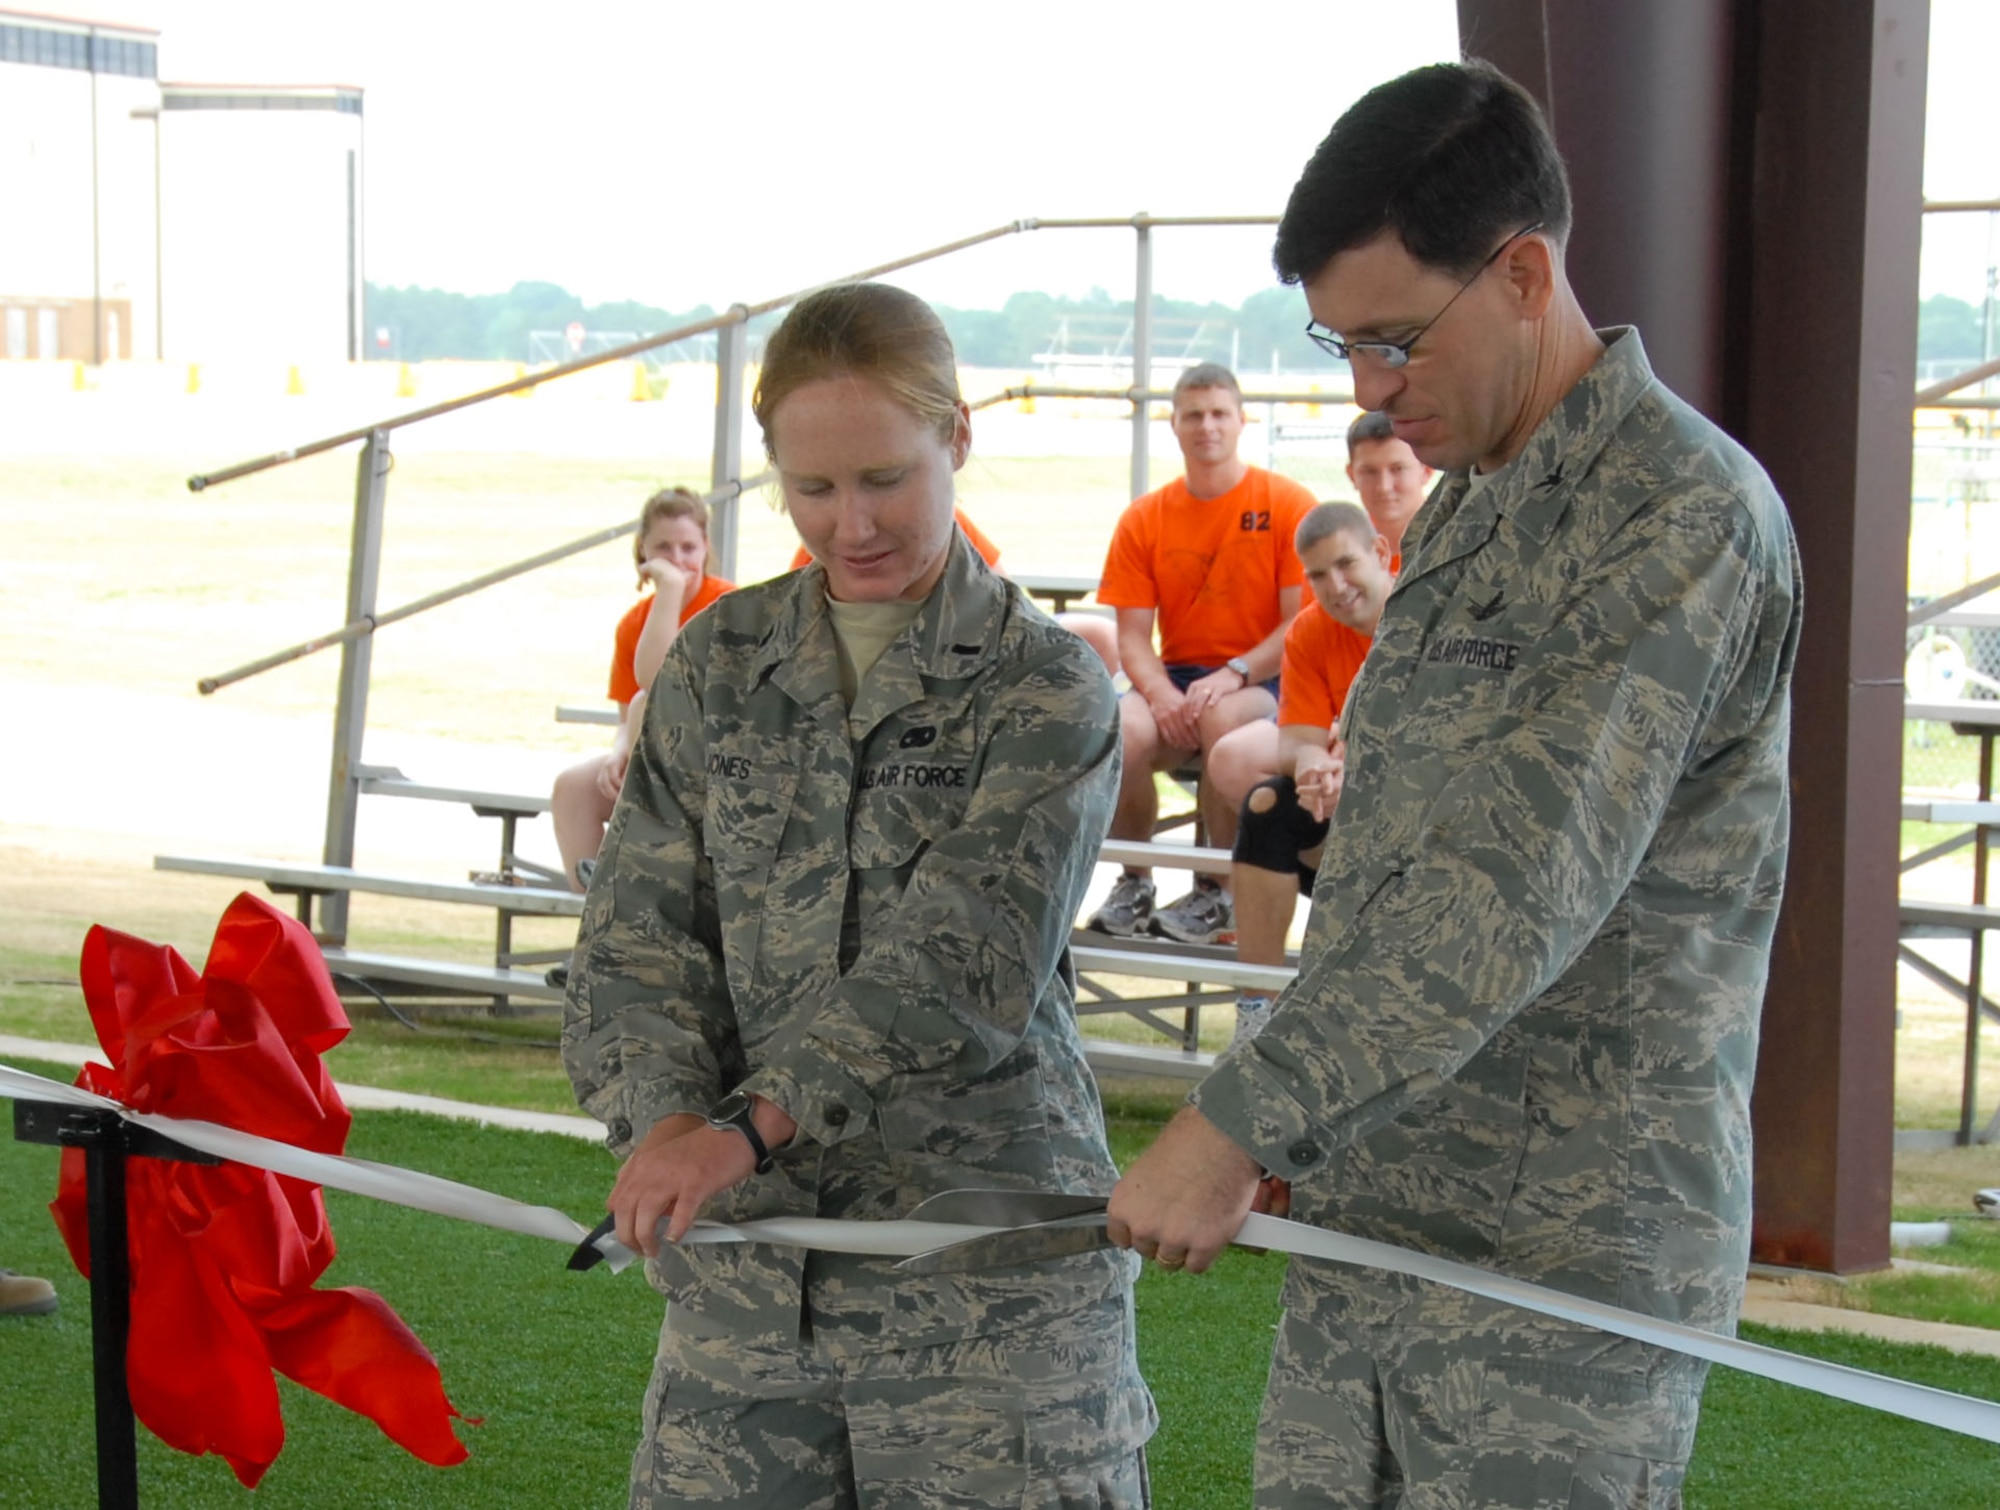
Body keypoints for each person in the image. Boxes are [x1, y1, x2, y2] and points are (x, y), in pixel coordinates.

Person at [1107, 58, 1801, 1510]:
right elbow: (1400, 862)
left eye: (1397, 341)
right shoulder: (1476, 505)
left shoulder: (1681, 515)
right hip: (1381, 1214)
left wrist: (1235, 1125)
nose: (1371, 392)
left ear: (1526, 272)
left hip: (1557, 1260)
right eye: (1340, 344)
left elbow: (1514, 882)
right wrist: (1305, 1129)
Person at [562, 281, 1154, 1510]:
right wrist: (665, 1117)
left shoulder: (1046, 687)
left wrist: (744, 1128)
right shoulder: (720, 663)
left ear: (958, 440)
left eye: (885, 478)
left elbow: (964, 962)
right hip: (747, 1287)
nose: (852, 525)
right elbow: (637, 930)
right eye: (813, 489)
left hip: (984, 1298)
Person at [1160, 415, 1432, 948]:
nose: (1385, 485)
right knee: (1266, 797)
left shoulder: (1440, 584)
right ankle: (1255, 987)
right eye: (1370, 471)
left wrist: (1347, 755)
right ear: (1351, 475)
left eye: (1397, 469)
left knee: (1302, 797)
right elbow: (1302, 731)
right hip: (1325, 738)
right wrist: (1316, 764)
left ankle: (1346, 909)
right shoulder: (1316, 612)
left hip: (1423, 774)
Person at [1085, 363, 1317, 941]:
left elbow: (1300, 623)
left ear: (1242, 420)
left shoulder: (1287, 503)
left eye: (1219, 413)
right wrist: (1161, 695)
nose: (1207, 426)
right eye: (1194, 414)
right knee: (1123, 728)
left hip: (1264, 678)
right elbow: (1133, 634)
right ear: (1174, 424)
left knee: (1220, 719)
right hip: (1182, 675)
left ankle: (1219, 891)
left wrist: (1236, 673)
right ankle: (1134, 881)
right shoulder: (1146, 517)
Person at [1208, 502, 1391, 1048]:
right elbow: (1297, 741)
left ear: (1380, 553)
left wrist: (1348, 769)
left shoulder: (1424, 620)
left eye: (1346, 565)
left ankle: (1343, 1017)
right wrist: (1315, 769)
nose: (1334, 586)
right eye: (1316, 574)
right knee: (1269, 805)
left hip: (1423, 810)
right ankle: (1256, 1013)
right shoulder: (1311, 630)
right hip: (1349, 818)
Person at [550, 488, 733, 893]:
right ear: (643, 552)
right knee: (574, 787)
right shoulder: (634, 623)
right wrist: (619, 751)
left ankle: (642, 867)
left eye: (688, 547)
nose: (678, 559)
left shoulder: (728, 605)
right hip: (654, 758)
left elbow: (659, 681)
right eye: (664, 548)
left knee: (642, 705)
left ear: (705, 548)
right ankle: (601, 906)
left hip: (719, 760)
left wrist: (667, 592)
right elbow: (625, 720)